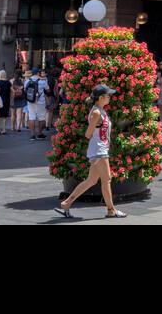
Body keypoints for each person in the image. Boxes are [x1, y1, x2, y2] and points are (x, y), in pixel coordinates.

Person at [56, 85, 126, 219]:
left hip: (100, 149)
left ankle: (67, 203)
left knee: (91, 181)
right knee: (106, 180)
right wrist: (97, 137)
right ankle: (111, 210)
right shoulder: (96, 113)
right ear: (101, 98)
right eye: (107, 95)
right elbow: (88, 133)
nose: (109, 97)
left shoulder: (101, 111)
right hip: (99, 150)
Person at [25, 69, 50, 139]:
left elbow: (25, 90)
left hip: (30, 101)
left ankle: (33, 135)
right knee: (41, 118)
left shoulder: (27, 81)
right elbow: (48, 90)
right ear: (38, 73)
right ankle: (40, 133)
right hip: (40, 102)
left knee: (31, 117)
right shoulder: (42, 81)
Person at [0, 70, 12, 134]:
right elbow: (12, 91)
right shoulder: (8, 82)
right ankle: (4, 130)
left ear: (0, 75)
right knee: (4, 116)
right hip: (6, 100)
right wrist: (12, 100)